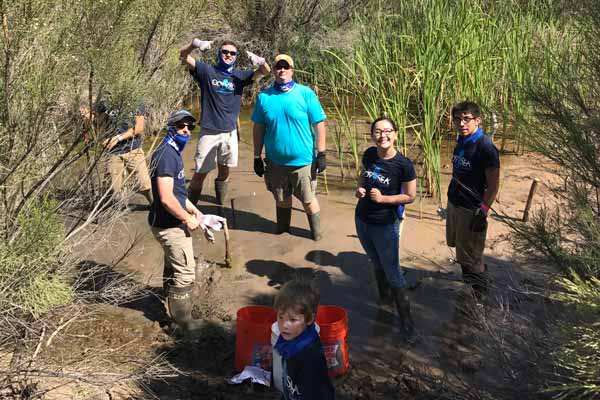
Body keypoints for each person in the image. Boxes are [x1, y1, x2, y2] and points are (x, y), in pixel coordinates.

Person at [148, 110, 225, 332]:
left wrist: (198, 215)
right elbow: (165, 198)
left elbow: (179, 195)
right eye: (181, 126)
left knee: (173, 265)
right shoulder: (165, 155)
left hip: (170, 221)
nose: (186, 130)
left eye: (190, 127)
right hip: (169, 225)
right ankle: (183, 323)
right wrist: (186, 219)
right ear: (170, 127)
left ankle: (169, 305)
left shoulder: (173, 152)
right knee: (185, 272)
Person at [179, 38, 270, 206]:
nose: (228, 55)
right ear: (219, 54)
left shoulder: (240, 76)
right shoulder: (207, 71)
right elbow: (183, 56)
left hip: (229, 133)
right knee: (200, 173)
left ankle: (220, 205)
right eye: (225, 52)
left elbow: (265, 71)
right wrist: (194, 43)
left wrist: (260, 61)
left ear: (235, 57)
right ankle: (190, 212)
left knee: (224, 170)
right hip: (209, 131)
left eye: (232, 53)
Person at [251, 54, 327, 241]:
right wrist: (256, 157)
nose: (281, 70)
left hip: (303, 162)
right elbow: (258, 128)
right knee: (282, 200)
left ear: (292, 70)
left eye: (286, 66)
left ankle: (317, 238)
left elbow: (319, 124)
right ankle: (283, 237)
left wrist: (322, 153)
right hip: (275, 163)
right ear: (274, 71)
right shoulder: (264, 98)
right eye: (278, 67)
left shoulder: (305, 93)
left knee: (308, 201)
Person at [355, 116, 417, 338]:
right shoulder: (370, 154)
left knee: (393, 273)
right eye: (378, 132)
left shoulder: (403, 165)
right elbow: (364, 177)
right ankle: (384, 302)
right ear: (372, 135)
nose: (383, 135)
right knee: (376, 261)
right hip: (362, 219)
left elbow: (410, 196)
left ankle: (408, 325)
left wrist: (383, 200)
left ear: (396, 134)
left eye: (388, 131)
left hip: (385, 224)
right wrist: (360, 189)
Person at [446, 101, 500, 296]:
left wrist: (482, 212)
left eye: (467, 119)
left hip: (471, 209)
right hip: (455, 203)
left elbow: (493, 186)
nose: (462, 123)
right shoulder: (462, 140)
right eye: (458, 119)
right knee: (461, 250)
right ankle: (469, 284)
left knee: (473, 257)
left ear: (478, 120)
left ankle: (480, 296)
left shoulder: (485, 147)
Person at [81, 101, 153, 207]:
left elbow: (139, 127)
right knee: (114, 190)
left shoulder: (136, 101)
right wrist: (87, 117)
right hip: (113, 152)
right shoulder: (104, 102)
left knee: (144, 184)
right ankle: (120, 212)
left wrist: (118, 138)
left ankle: (154, 205)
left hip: (133, 149)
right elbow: (95, 120)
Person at [273, 280, 335, 400]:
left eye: (292, 319)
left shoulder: (309, 357)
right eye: (281, 317)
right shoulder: (292, 337)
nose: (284, 325)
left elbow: (312, 393)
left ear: (310, 319)